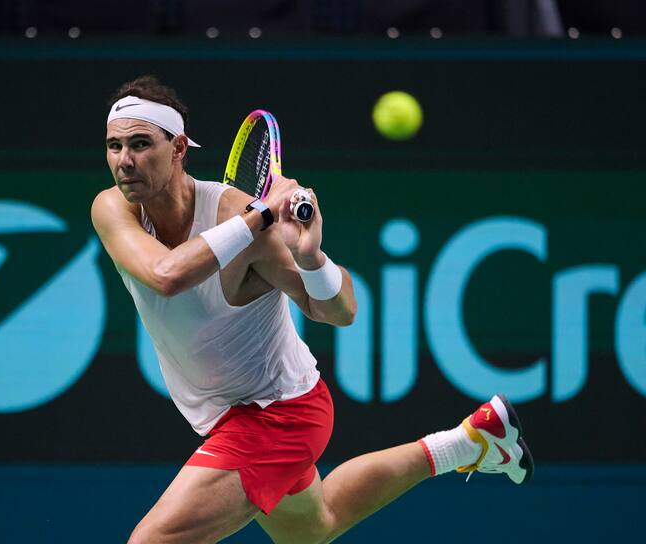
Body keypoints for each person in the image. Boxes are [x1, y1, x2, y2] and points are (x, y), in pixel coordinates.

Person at [92, 75, 533, 544]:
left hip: (279, 414)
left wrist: (310, 257)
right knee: (313, 528)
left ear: (179, 148)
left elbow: (341, 312)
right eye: (114, 146)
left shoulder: (243, 224)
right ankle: (470, 442)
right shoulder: (114, 208)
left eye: (140, 144)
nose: (124, 161)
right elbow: (165, 274)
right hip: (227, 416)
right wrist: (261, 214)